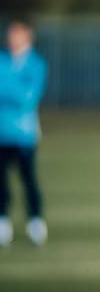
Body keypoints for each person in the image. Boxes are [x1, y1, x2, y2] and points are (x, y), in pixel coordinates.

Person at [0, 18, 48, 247]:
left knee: (28, 180)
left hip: (24, 134)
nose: (12, 38)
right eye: (11, 33)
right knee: (1, 183)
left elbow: (27, 99)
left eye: (17, 33)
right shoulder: (2, 60)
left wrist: (7, 87)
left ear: (27, 36)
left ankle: (35, 223)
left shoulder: (36, 64)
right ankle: (3, 223)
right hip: (1, 133)